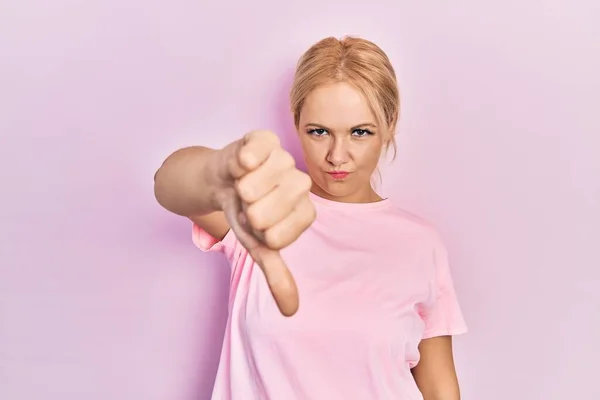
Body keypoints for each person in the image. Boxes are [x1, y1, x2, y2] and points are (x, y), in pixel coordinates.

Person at [154, 36, 468, 400]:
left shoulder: (420, 243)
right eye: (319, 132)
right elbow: (167, 184)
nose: (337, 156)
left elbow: (440, 387)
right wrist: (217, 169)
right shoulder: (263, 212)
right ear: (297, 122)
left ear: (390, 124)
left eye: (359, 132)